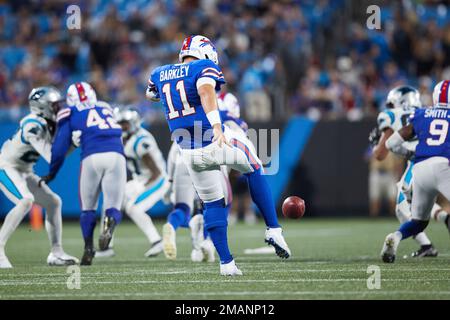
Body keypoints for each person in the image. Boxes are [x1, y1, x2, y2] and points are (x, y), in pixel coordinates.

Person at [146, 35, 290, 276]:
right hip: (213, 139)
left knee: (212, 202)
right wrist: (215, 126)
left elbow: (151, 95)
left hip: (189, 153)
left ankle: (226, 264)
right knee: (254, 166)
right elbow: (205, 91)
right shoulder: (203, 67)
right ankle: (273, 229)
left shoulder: (160, 72)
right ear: (204, 52)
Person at [40, 82, 126, 266]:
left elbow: (60, 146)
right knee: (113, 206)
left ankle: (88, 248)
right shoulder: (106, 106)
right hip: (116, 154)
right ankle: (109, 223)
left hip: (92, 156)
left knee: (88, 208)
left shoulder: (68, 111)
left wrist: (52, 172)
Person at [0, 86, 78, 268]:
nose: (58, 108)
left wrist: (72, 144)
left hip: (24, 170)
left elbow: (56, 156)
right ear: (42, 107)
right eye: (54, 105)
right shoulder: (32, 124)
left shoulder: (49, 123)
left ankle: (56, 253)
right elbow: (52, 157)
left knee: (54, 202)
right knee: (26, 200)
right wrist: (72, 143)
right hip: (6, 167)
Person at [369, 85, 446, 257]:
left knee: (409, 211)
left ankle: (420, 239)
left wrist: (377, 145)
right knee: (404, 207)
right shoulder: (425, 112)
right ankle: (427, 244)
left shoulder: (399, 115)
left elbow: (381, 153)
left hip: (419, 166)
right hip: (440, 163)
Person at [96, 108, 167, 258]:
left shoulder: (141, 141)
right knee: (110, 203)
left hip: (157, 179)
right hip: (140, 179)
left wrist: (141, 187)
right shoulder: (123, 138)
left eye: (125, 124)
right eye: (119, 123)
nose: (121, 127)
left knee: (134, 208)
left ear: (133, 124)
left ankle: (157, 241)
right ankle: (107, 247)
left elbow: (156, 172)